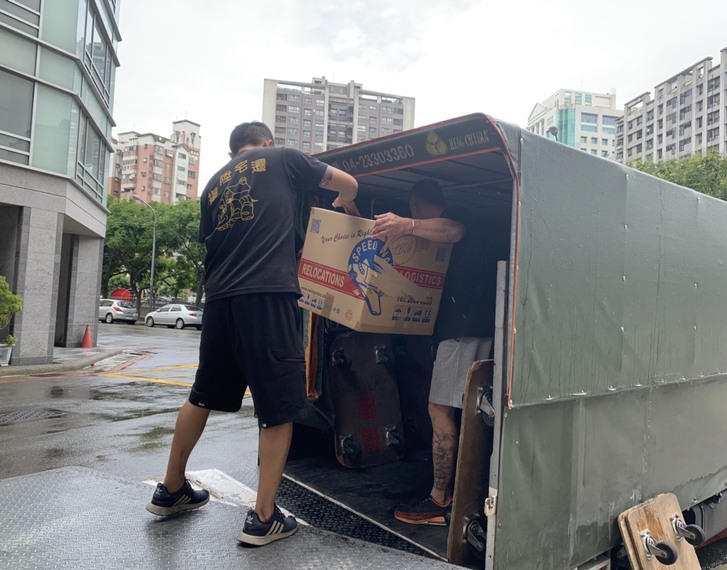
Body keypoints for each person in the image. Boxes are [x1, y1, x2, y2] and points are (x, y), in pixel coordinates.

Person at [146, 121, 359, 546]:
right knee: (279, 404)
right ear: (267, 142)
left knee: (202, 393)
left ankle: (171, 489)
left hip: (220, 298)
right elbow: (350, 183)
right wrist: (344, 204)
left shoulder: (211, 186)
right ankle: (264, 518)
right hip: (268, 293)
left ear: (232, 153)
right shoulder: (283, 158)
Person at [371, 179, 497, 526]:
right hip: (470, 329)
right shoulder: (436, 230)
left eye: (412, 212)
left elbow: (453, 230)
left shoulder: (454, 218)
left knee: (439, 409)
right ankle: (462, 492)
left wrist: (405, 225)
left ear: (416, 206)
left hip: (461, 332)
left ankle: (440, 500)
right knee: (466, 412)